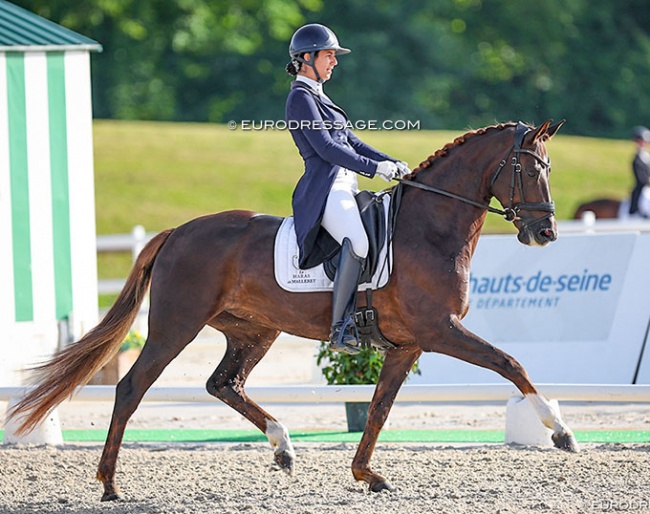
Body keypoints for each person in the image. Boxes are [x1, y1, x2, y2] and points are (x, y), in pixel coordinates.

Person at [284, 23, 409, 355]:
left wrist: (392, 162)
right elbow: (326, 148)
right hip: (326, 190)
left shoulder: (319, 97)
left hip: (346, 185)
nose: (334, 62)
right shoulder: (300, 98)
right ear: (306, 58)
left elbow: (352, 142)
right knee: (358, 241)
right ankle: (340, 329)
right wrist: (374, 169)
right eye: (328, 55)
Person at [629, 126, 650, 217]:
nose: (642, 143)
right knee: (646, 198)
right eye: (640, 141)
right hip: (643, 188)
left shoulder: (646, 156)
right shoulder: (636, 159)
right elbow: (641, 178)